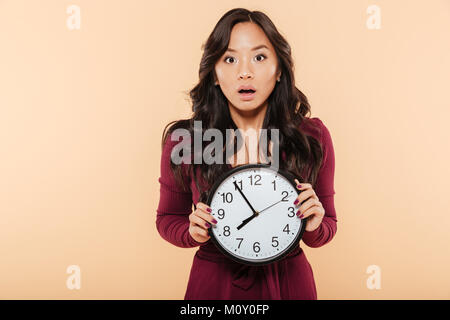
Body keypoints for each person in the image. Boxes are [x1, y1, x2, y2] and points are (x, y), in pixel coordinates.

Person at [156, 8, 337, 300]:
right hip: (214, 286)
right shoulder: (186, 140)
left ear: (279, 69)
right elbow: (167, 218)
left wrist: (316, 223)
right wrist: (192, 232)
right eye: (229, 59)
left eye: (259, 57)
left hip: (289, 284)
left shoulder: (312, 137)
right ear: (214, 73)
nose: (244, 71)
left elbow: (328, 226)